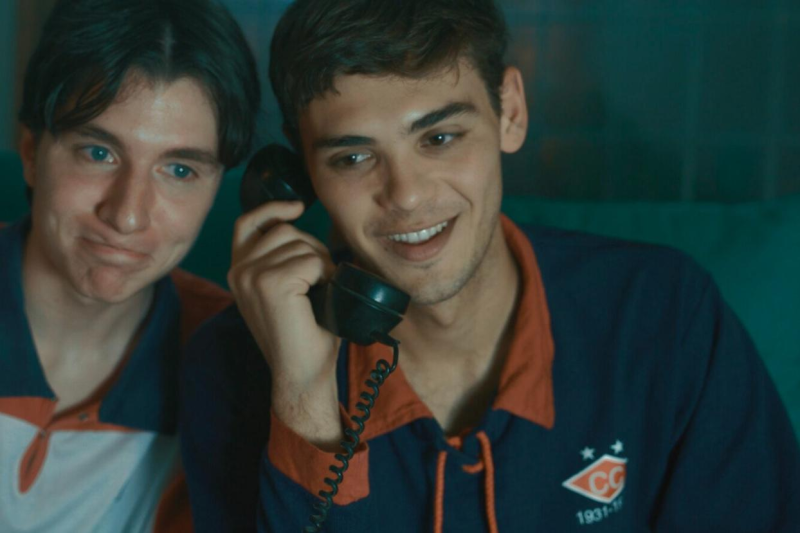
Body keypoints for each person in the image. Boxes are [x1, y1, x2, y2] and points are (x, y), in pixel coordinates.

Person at [179, 0, 800, 531]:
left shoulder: (666, 313)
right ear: (303, 174)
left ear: (510, 112)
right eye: (353, 158)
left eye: (439, 138)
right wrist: (304, 401)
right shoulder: (232, 367)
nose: (407, 195)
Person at [0, 0, 260, 531]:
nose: (127, 215)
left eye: (180, 170)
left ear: (217, 187)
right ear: (30, 151)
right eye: (99, 153)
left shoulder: (241, 363)